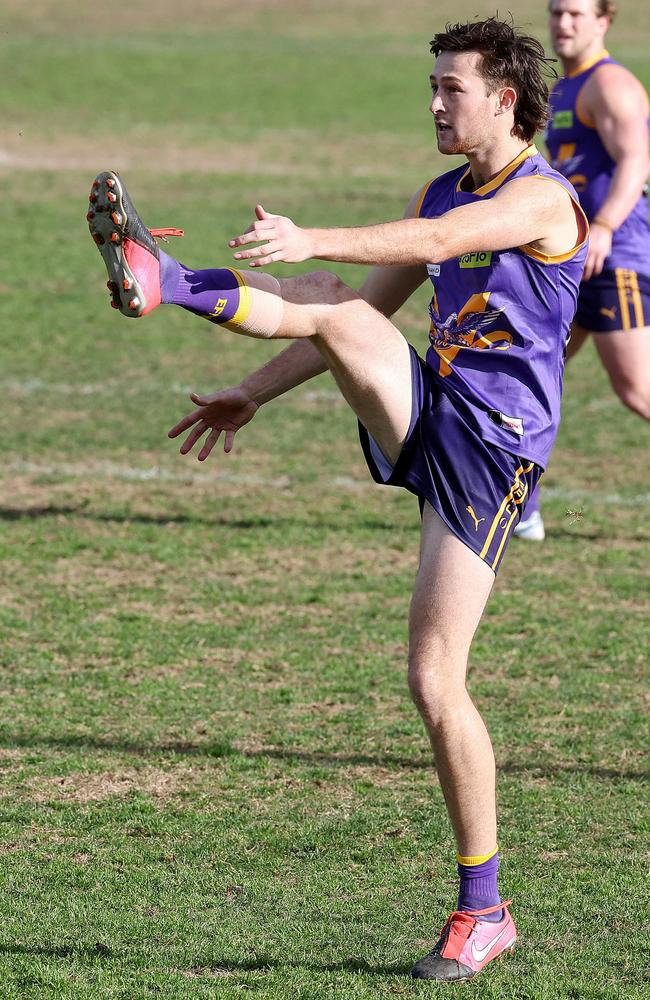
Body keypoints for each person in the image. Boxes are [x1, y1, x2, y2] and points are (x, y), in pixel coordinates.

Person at [87, 18, 587, 982]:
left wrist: (309, 233)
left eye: (453, 88)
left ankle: (485, 911)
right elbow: (358, 312)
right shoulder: (441, 186)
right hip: (434, 409)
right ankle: (168, 281)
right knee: (338, 304)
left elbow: (443, 242)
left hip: (495, 455)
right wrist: (251, 394)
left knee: (435, 681)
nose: (436, 102)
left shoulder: (540, 198)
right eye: (432, 86)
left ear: (506, 100)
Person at [514, 0, 650, 541]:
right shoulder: (563, 87)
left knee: (638, 390)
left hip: (614, 255)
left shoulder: (609, 85)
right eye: (556, 13)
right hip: (574, 255)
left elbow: (637, 162)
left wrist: (608, 226)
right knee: (525, 371)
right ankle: (521, 509)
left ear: (603, 21)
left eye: (575, 14)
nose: (563, 23)